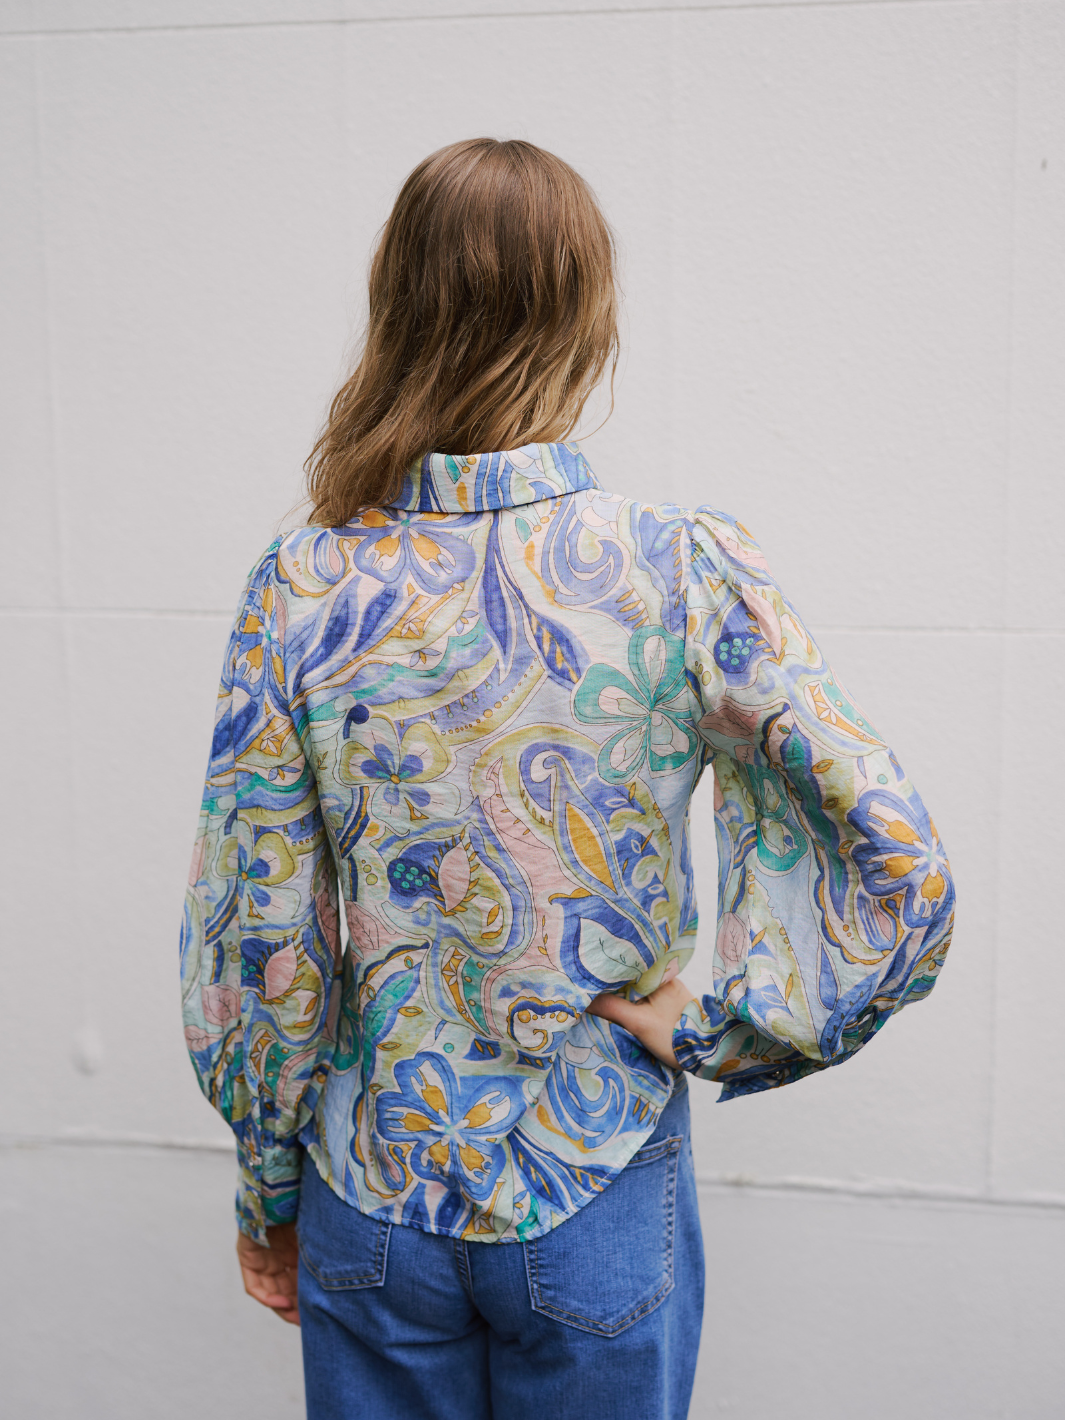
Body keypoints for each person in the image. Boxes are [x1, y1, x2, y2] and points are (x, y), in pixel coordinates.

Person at [180, 138, 955, 1420]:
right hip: (593, 1165)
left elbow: (256, 927)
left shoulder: (303, 582)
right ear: (585, 318)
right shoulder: (673, 565)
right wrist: (722, 1029)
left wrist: (268, 1186)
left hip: (373, 1184)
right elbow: (894, 856)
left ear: (396, 303)